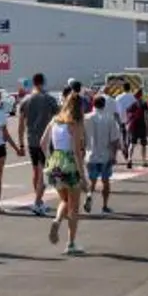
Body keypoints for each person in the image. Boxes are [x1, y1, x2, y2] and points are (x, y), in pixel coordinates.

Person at [39, 92, 88, 255]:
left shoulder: (55, 120)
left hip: (56, 162)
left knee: (63, 199)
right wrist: (83, 176)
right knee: (74, 206)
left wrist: (49, 160)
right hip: (70, 164)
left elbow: (42, 142)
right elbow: (76, 151)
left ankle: (57, 220)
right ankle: (71, 243)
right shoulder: (75, 124)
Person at [15, 74, 59, 218]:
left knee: (36, 170)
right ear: (43, 82)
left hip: (31, 139)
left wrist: (21, 143)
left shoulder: (25, 100)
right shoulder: (50, 99)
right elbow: (58, 119)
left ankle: (38, 200)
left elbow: (21, 124)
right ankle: (38, 200)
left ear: (33, 83)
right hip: (46, 140)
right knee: (44, 172)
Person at [81, 94, 122, 215]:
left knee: (92, 180)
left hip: (90, 154)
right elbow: (114, 140)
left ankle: (89, 195)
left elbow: (81, 137)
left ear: (93, 104)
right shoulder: (109, 118)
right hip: (105, 154)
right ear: (104, 105)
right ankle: (105, 205)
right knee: (105, 181)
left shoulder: (86, 118)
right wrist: (114, 155)